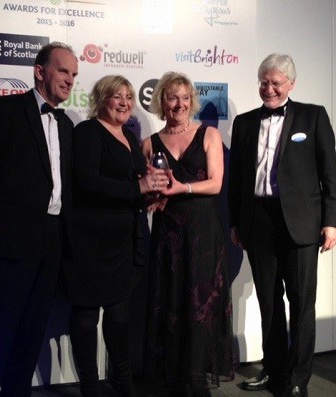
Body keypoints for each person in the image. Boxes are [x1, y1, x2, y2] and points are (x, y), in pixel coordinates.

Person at [0, 42, 78, 396]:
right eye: (63, 71)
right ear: (39, 72)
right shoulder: (5, 110)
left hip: (49, 245)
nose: (70, 80)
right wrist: (0, 223)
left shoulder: (67, 124)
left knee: (29, 339)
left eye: (74, 75)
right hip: (7, 247)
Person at [228, 53, 336, 397]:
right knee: (268, 300)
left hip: (302, 223)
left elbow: (330, 173)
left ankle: (299, 377)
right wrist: (237, 222)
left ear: (291, 84)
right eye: (264, 82)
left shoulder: (313, 116)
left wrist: (332, 222)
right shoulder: (246, 122)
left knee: (301, 302)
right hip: (259, 221)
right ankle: (273, 368)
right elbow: (237, 180)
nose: (269, 88)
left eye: (276, 83)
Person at [61, 75, 168, 397]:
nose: (123, 102)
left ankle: (123, 383)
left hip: (123, 242)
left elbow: (132, 184)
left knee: (120, 317)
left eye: (128, 96)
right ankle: (90, 386)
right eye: (116, 96)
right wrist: (138, 188)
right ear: (101, 99)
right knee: (85, 318)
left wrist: (150, 196)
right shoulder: (88, 132)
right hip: (88, 242)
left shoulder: (130, 136)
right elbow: (86, 181)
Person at [142, 72, 236, 397]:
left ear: (191, 101)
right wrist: (154, 196)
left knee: (201, 303)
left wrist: (184, 187)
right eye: (172, 98)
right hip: (168, 233)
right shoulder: (149, 143)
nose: (179, 104)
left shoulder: (208, 134)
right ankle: (175, 376)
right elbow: (146, 188)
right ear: (162, 102)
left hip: (203, 234)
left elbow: (216, 183)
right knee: (171, 299)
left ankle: (197, 379)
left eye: (184, 98)